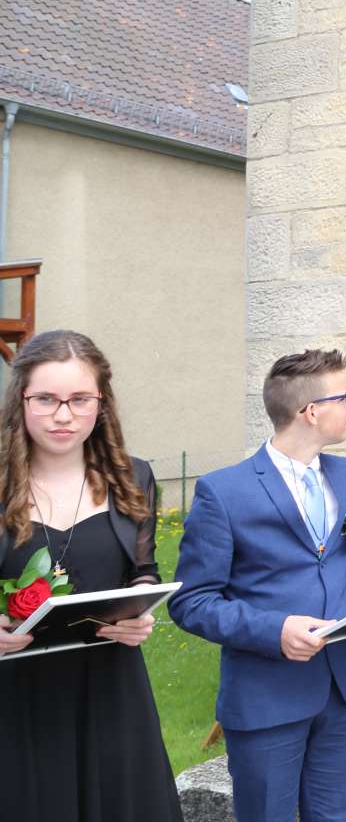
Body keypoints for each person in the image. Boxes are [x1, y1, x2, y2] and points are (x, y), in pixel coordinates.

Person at [169, 349, 346, 822]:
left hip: (341, 688)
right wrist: (274, 630)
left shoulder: (345, 475)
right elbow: (191, 602)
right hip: (265, 697)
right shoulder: (225, 492)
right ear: (311, 411)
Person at [0, 330, 182, 822]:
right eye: (46, 399)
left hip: (111, 689)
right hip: (15, 697)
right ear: (21, 400)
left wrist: (141, 611)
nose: (63, 415)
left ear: (101, 403)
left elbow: (144, 572)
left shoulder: (133, 476)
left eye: (79, 399)